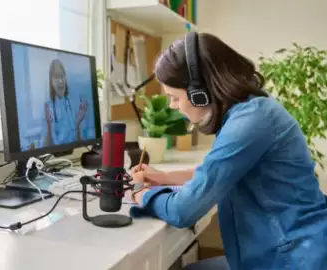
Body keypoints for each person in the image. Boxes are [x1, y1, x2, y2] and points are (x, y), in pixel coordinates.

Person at [125, 32, 327, 270]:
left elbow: (182, 211)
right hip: (288, 247)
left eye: (174, 97)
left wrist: (139, 191)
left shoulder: (250, 121)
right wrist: (164, 177)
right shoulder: (251, 110)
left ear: (199, 93)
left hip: (293, 259)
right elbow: (220, 171)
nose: (172, 105)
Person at [43, 59, 88, 146]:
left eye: (62, 76)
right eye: (56, 77)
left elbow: (79, 144)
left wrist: (77, 124)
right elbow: (44, 148)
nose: (60, 81)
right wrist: (49, 127)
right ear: (51, 81)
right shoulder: (47, 107)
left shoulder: (71, 104)